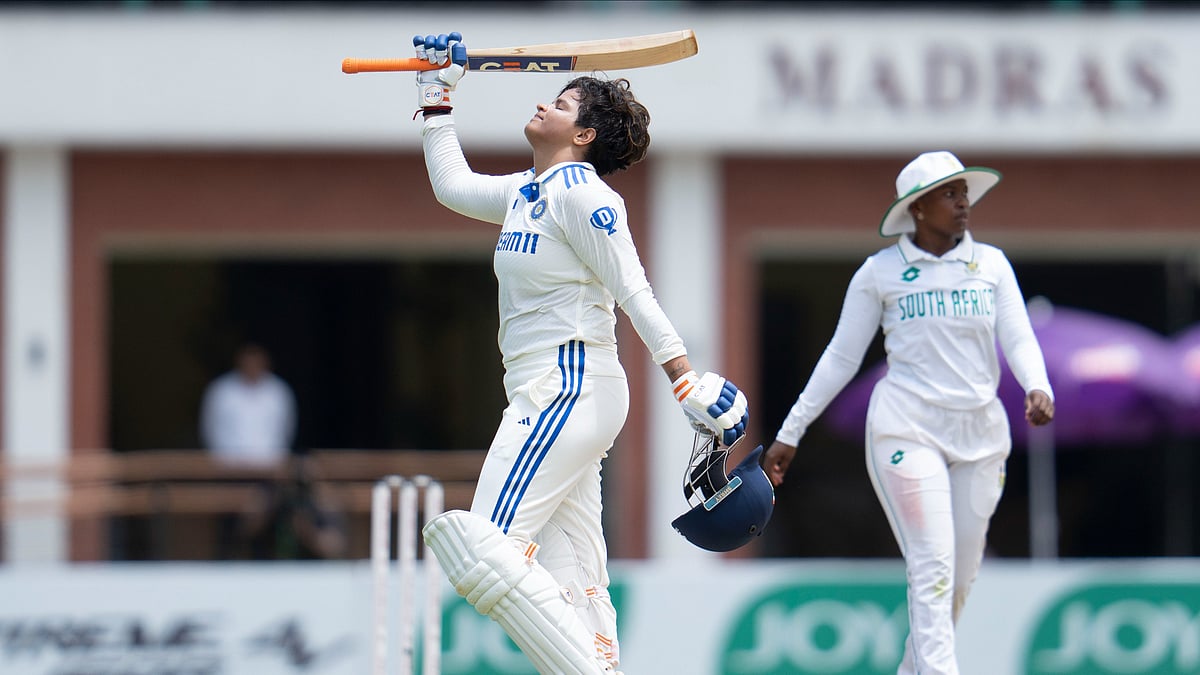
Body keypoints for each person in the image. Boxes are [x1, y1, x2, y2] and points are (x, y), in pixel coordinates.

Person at [409, 33, 748, 674]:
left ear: (585, 135)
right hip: (549, 392)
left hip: (569, 387)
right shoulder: (528, 192)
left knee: (482, 547)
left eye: (561, 103)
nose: (545, 106)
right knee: (575, 584)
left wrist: (685, 381)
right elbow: (453, 186)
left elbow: (634, 290)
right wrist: (437, 96)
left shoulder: (583, 196)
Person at [763, 150, 1055, 675]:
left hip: (981, 434)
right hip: (907, 428)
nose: (963, 202)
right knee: (933, 566)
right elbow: (840, 358)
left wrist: (1037, 385)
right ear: (917, 208)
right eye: (949, 194)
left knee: (958, 579)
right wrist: (791, 432)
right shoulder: (880, 273)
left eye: (964, 192)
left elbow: (1018, 335)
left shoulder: (990, 264)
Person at [199, 342, 298, 559]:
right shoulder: (222, 391)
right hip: (231, 471)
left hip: (267, 472)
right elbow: (211, 428)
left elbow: (285, 429)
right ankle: (224, 561)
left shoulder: (277, 392)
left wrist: (275, 461)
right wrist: (223, 461)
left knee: (266, 522)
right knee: (229, 523)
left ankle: (264, 561)